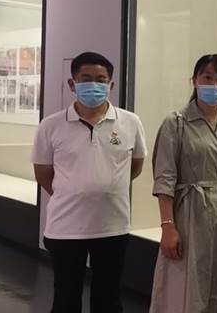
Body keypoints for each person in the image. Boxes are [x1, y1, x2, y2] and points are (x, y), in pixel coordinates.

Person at [32, 52, 147, 313]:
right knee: (65, 299)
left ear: (111, 84)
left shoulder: (130, 122)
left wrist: (105, 186)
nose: (94, 85)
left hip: (112, 227)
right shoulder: (50, 126)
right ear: (72, 84)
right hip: (65, 228)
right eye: (86, 79)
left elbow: (135, 165)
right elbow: (43, 173)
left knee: (108, 299)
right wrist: (74, 192)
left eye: (101, 79)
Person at [149, 54, 217, 313]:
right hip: (189, 215)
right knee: (186, 285)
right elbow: (165, 179)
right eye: (207, 77)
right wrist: (167, 226)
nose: (214, 85)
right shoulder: (176, 124)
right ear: (194, 80)